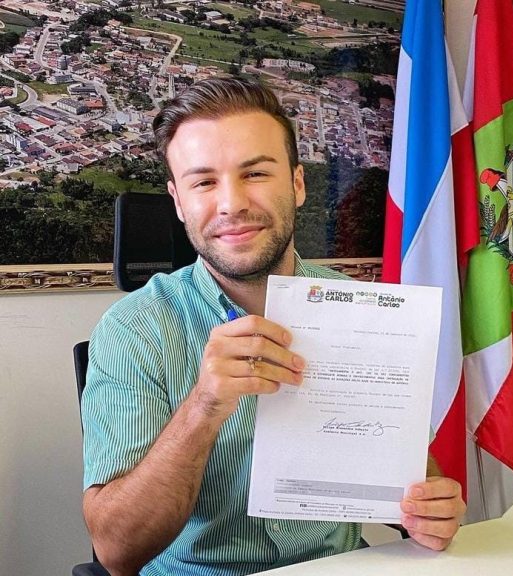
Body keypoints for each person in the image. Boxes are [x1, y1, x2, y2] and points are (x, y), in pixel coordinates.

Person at [81, 76, 466, 576]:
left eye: (255, 173)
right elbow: (116, 551)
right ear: (179, 202)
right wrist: (204, 407)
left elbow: (406, 478)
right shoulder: (134, 330)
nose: (231, 203)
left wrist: (427, 509)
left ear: (297, 183)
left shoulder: (365, 311)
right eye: (204, 182)